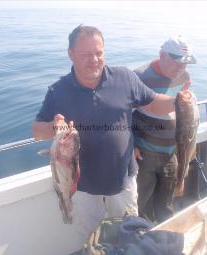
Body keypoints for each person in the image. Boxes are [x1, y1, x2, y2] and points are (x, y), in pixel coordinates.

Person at [32, 25, 175, 244]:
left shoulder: (124, 78)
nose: (95, 60)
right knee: (90, 240)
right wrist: (54, 127)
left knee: (130, 235)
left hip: (123, 180)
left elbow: (153, 102)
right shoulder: (58, 91)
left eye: (99, 53)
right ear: (70, 54)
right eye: (86, 55)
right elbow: (37, 131)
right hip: (82, 187)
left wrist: (179, 102)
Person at [132, 35, 197, 223]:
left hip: (172, 152)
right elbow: (125, 114)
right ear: (162, 55)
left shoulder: (183, 75)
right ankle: (140, 239)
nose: (181, 69)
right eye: (177, 63)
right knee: (140, 202)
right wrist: (132, 145)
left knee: (166, 205)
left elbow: (182, 109)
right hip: (144, 154)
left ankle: (165, 240)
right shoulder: (139, 76)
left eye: (185, 64)